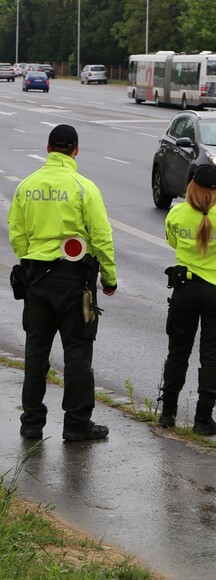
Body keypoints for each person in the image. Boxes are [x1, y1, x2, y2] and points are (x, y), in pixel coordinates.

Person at [8, 124, 117, 442]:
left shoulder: (27, 186)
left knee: (36, 353)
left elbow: (16, 231)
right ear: (76, 151)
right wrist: (109, 278)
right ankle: (77, 424)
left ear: (47, 149)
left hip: (37, 281)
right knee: (78, 354)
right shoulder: (84, 187)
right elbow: (101, 236)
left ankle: (31, 424)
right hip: (75, 282)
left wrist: (30, 261)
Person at [159, 164, 216, 435]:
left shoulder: (176, 214)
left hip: (185, 291)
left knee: (177, 352)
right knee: (210, 358)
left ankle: (167, 415)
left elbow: (172, 242)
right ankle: (203, 419)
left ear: (191, 187)